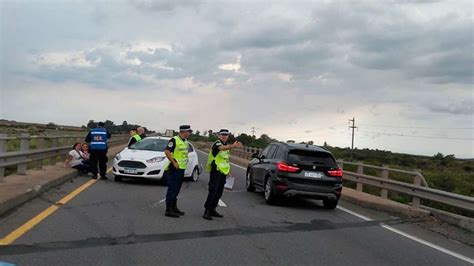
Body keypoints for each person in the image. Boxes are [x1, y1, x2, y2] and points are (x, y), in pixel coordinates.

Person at [203, 129, 242, 220]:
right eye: (222, 134)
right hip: (215, 171)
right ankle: (207, 211)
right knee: (213, 191)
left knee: (219, 192)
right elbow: (222, 148)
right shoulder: (217, 143)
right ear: (219, 136)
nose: (224, 136)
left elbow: (225, 160)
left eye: (226, 135)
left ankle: (213, 209)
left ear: (228, 136)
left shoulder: (226, 146)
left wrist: (227, 171)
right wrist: (233, 146)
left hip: (222, 172)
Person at [164, 125, 192, 218]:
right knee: (172, 189)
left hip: (181, 169)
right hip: (175, 168)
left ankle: (174, 207)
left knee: (177, 189)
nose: (189, 133)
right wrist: (174, 162)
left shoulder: (185, 141)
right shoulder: (174, 140)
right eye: (189, 131)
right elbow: (167, 151)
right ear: (183, 132)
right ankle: (168, 210)